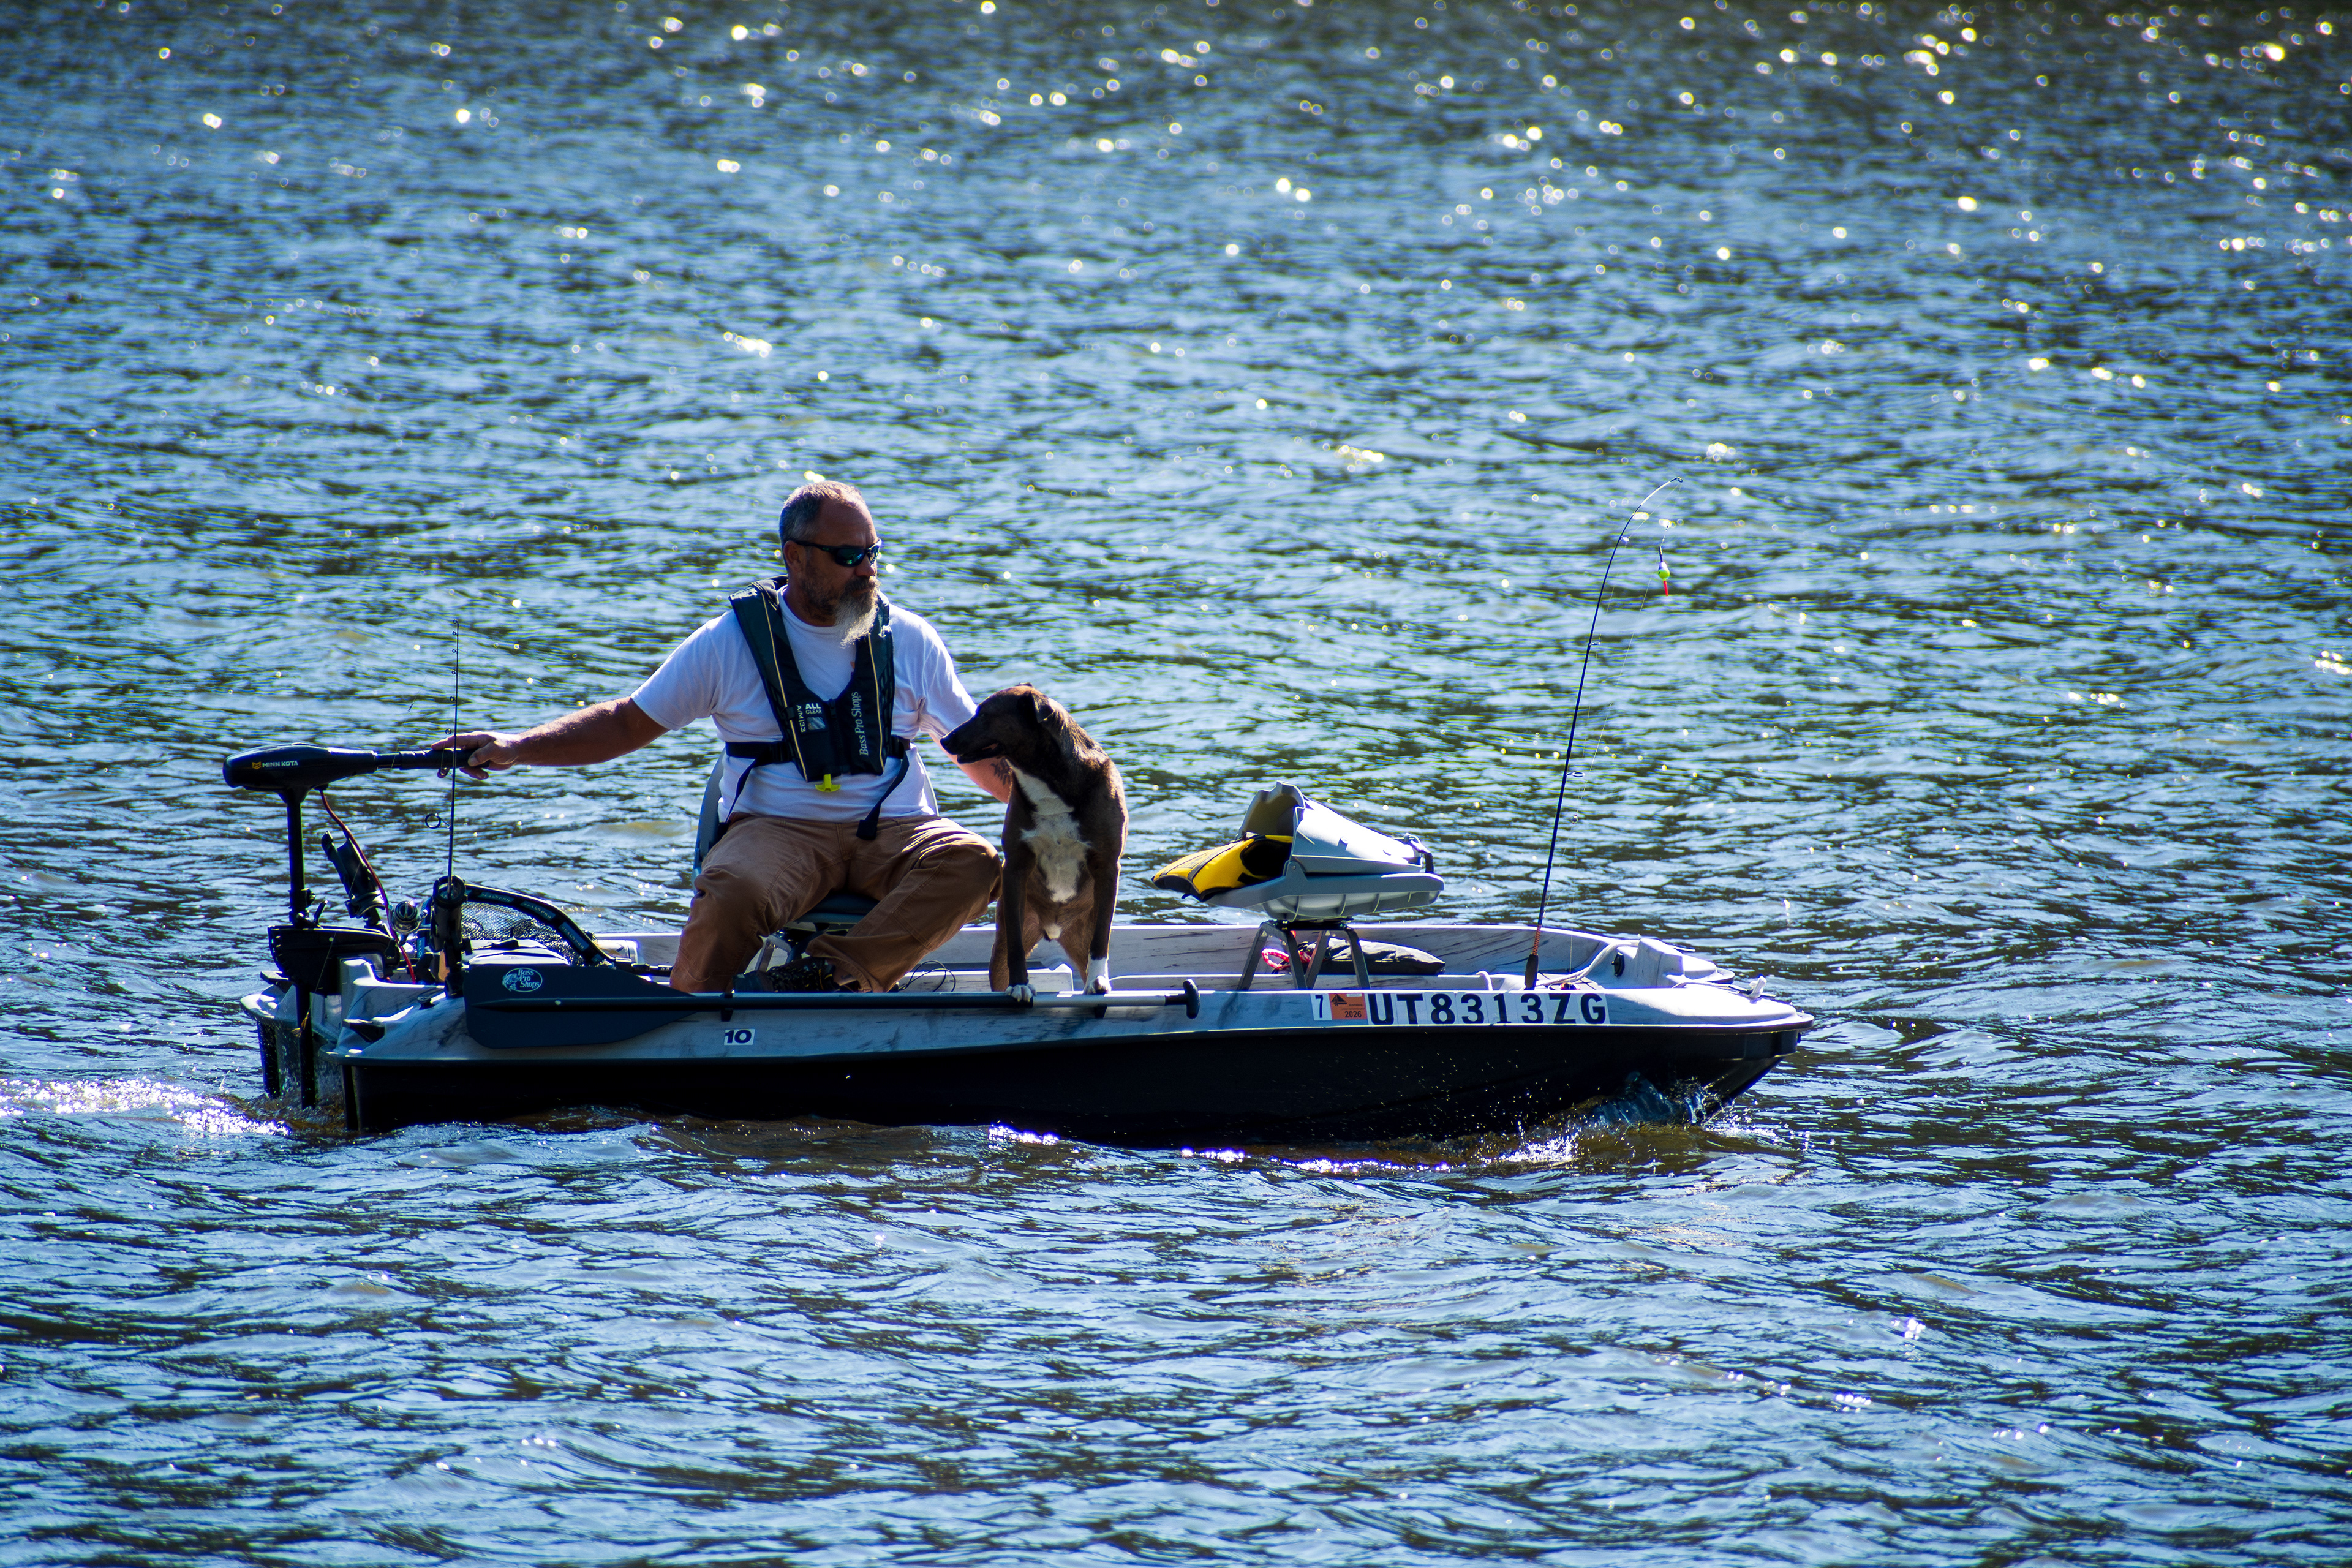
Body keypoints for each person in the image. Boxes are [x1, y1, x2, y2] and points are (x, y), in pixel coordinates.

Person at [435, 481, 1011, 994]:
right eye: (848, 557)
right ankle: (690, 1009)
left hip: (897, 831)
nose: (867, 571)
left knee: (975, 862)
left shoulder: (912, 640)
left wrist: (1078, 799)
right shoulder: (727, 642)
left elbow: (984, 759)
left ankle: (828, 977)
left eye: (874, 554)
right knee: (730, 891)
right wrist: (516, 746)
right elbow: (627, 722)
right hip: (779, 829)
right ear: (795, 556)